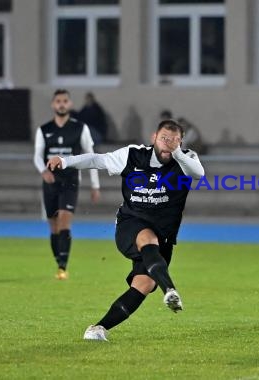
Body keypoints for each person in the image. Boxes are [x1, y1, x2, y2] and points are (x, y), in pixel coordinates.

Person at [47, 119, 205, 341]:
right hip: (131, 223)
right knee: (147, 238)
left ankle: (97, 329)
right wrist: (65, 161)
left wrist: (176, 151)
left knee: (143, 284)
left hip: (164, 236)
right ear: (154, 138)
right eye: (164, 139)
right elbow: (98, 160)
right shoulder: (132, 155)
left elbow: (199, 174)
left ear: (181, 142)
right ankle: (169, 289)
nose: (168, 144)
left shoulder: (186, 159)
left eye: (174, 140)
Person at [33, 89, 101, 280]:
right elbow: (37, 156)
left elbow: (92, 156)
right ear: (53, 105)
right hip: (50, 182)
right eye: (58, 101)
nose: (61, 104)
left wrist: (95, 186)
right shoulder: (44, 129)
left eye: (65, 101)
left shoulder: (80, 128)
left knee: (64, 220)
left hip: (70, 181)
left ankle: (63, 266)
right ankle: (59, 260)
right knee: (53, 226)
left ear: (70, 104)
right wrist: (44, 171)